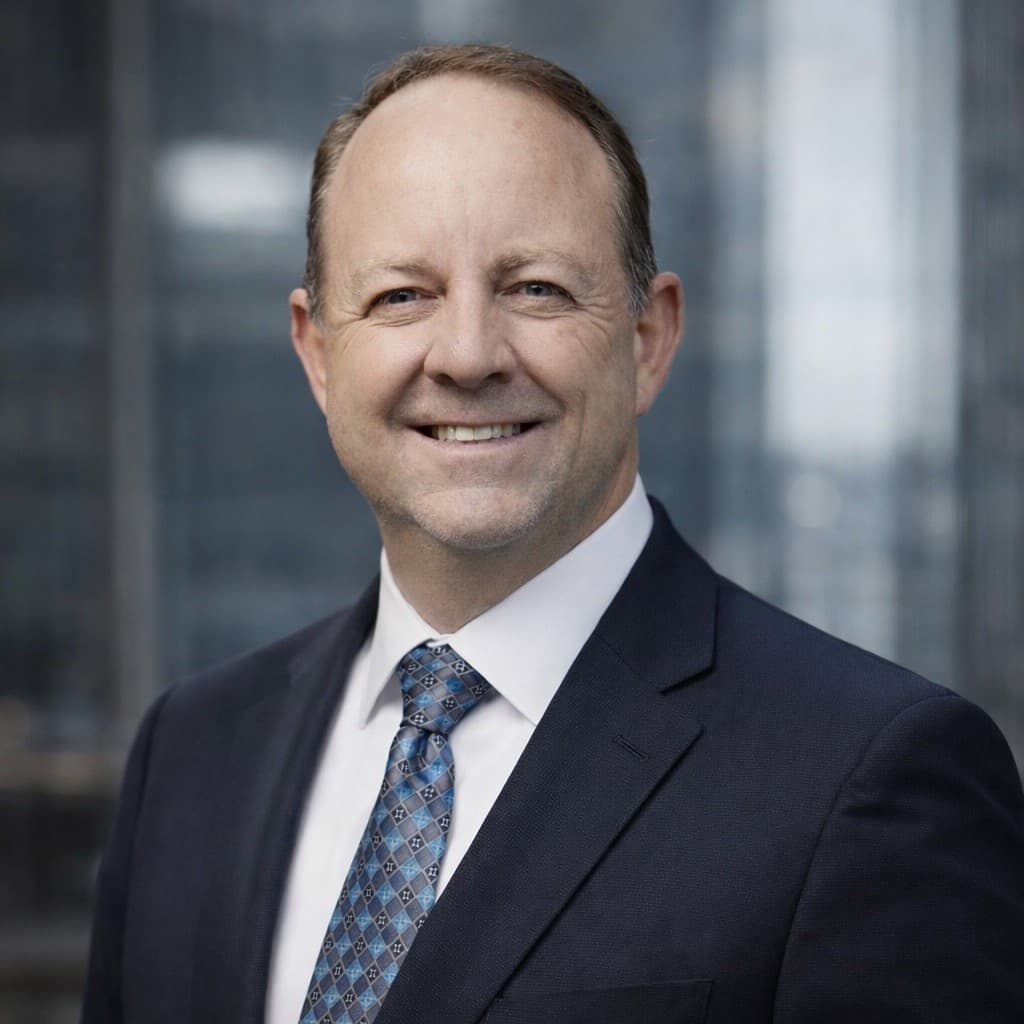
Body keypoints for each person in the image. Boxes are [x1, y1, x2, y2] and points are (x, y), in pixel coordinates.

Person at [82, 44, 1024, 1024]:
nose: (467, 354)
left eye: (534, 288)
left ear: (647, 338)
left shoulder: (869, 775)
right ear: (318, 352)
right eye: (402, 295)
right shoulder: (190, 755)